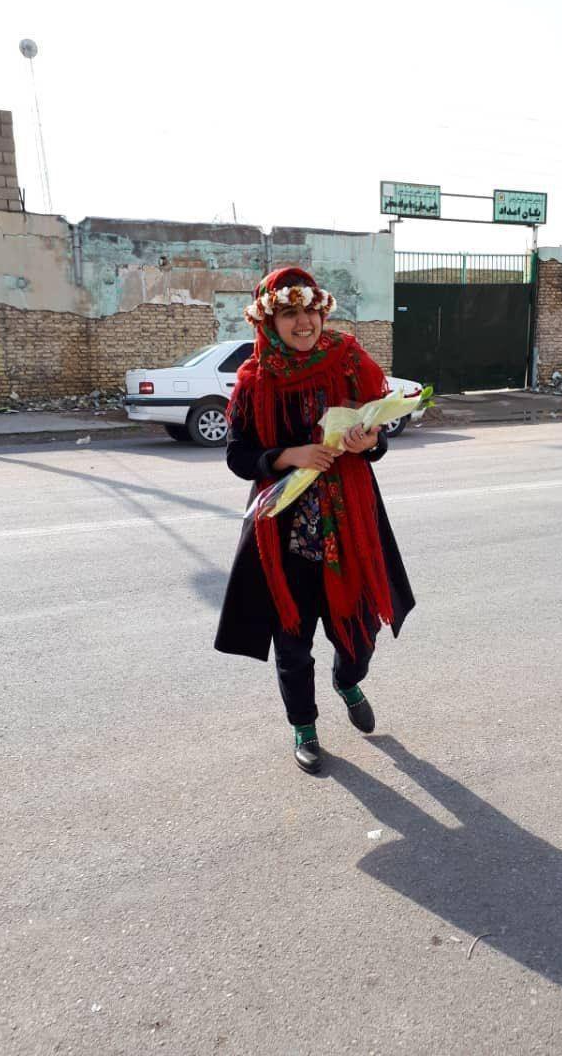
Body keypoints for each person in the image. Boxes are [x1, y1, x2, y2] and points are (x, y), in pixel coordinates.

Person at [214, 267, 415, 774]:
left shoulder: (347, 361)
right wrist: (289, 455)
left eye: (309, 311)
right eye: (289, 313)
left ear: (322, 312)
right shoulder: (254, 380)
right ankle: (304, 726)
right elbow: (239, 456)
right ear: (269, 320)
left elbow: (376, 431)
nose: (303, 322)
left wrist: (369, 442)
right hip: (286, 538)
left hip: (351, 530)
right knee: (292, 643)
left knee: (361, 634)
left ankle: (347, 680)